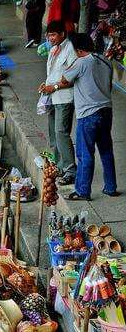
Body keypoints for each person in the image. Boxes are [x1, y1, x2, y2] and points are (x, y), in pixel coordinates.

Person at [52, 33, 119, 200]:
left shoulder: (81, 62)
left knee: (85, 154)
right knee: (106, 151)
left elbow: (64, 79)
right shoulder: (105, 60)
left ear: (78, 49)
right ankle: (110, 187)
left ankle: (83, 191)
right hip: (106, 110)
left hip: (88, 114)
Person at [39, 21, 77, 185]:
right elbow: (53, 74)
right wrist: (45, 85)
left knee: (61, 132)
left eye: (53, 35)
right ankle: (59, 166)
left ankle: (70, 170)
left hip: (65, 98)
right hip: (52, 98)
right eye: (49, 35)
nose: (50, 38)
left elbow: (72, 78)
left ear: (62, 34)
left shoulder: (71, 50)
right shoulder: (53, 50)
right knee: (54, 134)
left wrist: (53, 87)